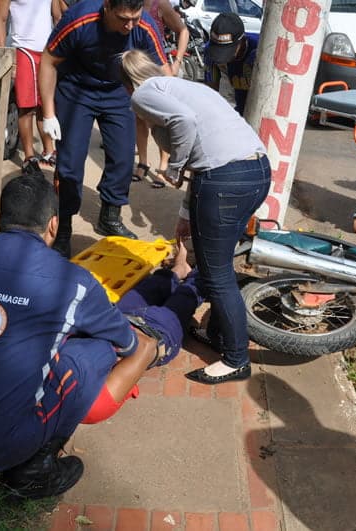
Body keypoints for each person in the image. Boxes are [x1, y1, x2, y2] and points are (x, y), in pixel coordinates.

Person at [0, 171, 203, 498]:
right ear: (53, 225)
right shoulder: (73, 283)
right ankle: (35, 467)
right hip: (1, 446)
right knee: (100, 350)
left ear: (0, 218)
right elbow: (126, 342)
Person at [120, 49, 271, 384]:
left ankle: (236, 359)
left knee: (215, 273)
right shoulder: (183, 86)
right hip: (256, 171)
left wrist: (171, 169)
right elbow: (203, 150)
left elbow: (184, 126)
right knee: (216, 264)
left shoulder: (144, 94)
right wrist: (188, 215)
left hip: (224, 179)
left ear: (128, 84)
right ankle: (221, 334)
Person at [38, 0, 169, 258]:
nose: (130, 25)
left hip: (117, 91)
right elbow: (47, 61)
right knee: (71, 165)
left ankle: (110, 215)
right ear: (107, 7)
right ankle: (63, 225)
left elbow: (163, 72)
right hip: (76, 89)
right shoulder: (79, 19)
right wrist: (49, 114)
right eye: (123, 18)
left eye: (135, 17)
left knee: (122, 157)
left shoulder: (145, 26)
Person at [0, 0, 57, 172]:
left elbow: (58, 16)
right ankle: (29, 156)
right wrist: (5, 55)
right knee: (27, 107)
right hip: (24, 50)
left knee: (46, 105)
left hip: (48, 51)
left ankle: (49, 150)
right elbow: (0, 19)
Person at [133, 0, 189, 186]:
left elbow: (183, 31)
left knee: (160, 120)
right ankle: (142, 162)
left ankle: (163, 166)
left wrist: (177, 61)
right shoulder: (132, 5)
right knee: (139, 118)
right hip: (136, 69)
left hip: (158, 69)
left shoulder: (160, 5)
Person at [204, 12, 258, 116]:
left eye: (228, 52)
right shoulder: (209, 52)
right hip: (241, 110)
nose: (224, 60)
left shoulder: (260, 50)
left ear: (242, 40)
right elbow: (210, 93)